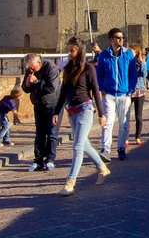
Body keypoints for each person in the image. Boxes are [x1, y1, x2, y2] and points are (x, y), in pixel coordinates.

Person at [52, 38, 110, 195]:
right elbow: (63, 92)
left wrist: (101, 113)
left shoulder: (88, 68)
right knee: (84, 145)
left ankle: (71, 182)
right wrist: (57, 112)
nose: (70, 53)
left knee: (77, 146)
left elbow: (96, 91)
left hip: (85, 110)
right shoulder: (68, 68)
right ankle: (102, 168)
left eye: (72, 50)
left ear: (80, 51)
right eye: (69, 49)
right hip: (72, 112)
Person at [96, 27, 138, 162]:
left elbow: (133, 74)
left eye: (122, 38)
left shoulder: (128, 55)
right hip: (109, 94)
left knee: (124, 123)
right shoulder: (104, 55)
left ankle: (121, 148)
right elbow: (99, 74)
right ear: (111, 39)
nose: (121, 40)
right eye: (118, 38)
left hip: (124, 94)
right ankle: (106, 149)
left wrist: (130, 90)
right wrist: (101, 88)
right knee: (108, 122)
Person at [22, 52, 61, 171]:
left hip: (53, 105)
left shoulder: (51, 68)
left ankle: (50, 160)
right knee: (39, 133)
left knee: (52, 133)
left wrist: (36, 82)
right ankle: (38, 161)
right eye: (29, 69)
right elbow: (25, 88)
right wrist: (27, 84)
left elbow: (51, 87)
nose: (31, 70)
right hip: (39, 105)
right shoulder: (30, 70)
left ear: (39, 63)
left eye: (32, 68)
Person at [130, 46, 148, 146]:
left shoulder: (141, 62)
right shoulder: (127, 61)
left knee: (138, 116)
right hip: (129, 90)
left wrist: (142, 63)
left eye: (132, 51)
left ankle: (138, 137)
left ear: (137, 52)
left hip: (139, 90)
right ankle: (126, 138)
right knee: (125, 115)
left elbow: (144, 74)